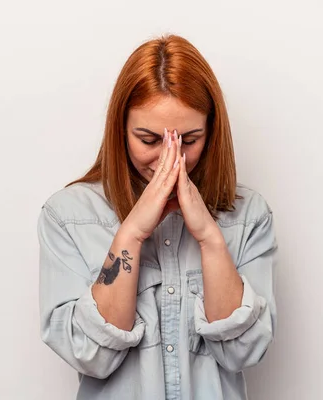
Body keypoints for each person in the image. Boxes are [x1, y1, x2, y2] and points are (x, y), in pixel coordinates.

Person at [37, 34, 278, 400]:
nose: (169, 159)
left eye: (189, 140)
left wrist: (210, 238)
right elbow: (88, 356)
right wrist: (131, 233)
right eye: (149, 140)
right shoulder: (68, 215)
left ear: (211, 133)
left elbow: (244, 352)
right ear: (121, 130)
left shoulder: (250, 216)